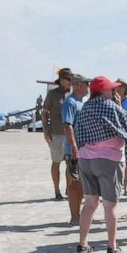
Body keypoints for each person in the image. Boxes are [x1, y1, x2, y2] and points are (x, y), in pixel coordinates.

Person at [73, 75, 127, 253]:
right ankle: (112, 246)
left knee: (90, 204)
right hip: (108, 160)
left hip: (86, 159)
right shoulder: (111, 107)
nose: (114, 91)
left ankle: (82, 243)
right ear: (104, 91)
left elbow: (78, 130)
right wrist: (118, 104)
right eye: (111, 89)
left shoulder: (86, 107)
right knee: (110, 205)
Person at [61, 73, 90, 226]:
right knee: (74, 184)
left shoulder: (82, 101)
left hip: (84, 149)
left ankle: (78, 214)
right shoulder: (70, 102)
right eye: (86, 83)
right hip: (74, 149)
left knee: (82, 184)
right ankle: (74, 216)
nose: (89, 87)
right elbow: (67, 125)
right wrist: (73, 147)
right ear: (79, 85)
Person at [42, 67, 73, 200]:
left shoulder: (73, 94)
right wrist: (45, 131)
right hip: (56, 133)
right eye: (68, 79)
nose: (70, 81)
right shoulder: (53, 94)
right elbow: (44, 112)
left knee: (70, 163)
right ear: (61, 80)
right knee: (56, 162)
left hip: (70, 134)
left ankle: (69, 189)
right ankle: (56, 190)